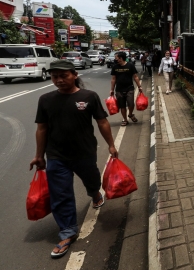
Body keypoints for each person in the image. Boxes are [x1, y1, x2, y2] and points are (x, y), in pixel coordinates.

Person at [29, 59, 118, 259]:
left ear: (74, 75)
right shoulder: (45, 99)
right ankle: (67, 232)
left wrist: (111, 145)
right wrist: (38, 155)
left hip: (85, 152)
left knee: (92, 179)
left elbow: (102, 122)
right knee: (61, 194)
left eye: (63, 75)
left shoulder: (89, 96)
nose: (59, 80)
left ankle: (94, 193)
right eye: (55, 77)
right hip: (56, 156)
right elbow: (41, 129)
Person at [110, 51, 143, 126]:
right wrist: (111, 89)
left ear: (121, 58)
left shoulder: (130, 65)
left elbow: (135, 77)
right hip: (119, 89)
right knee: (122, 106)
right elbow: (113, 79)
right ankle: (125, 119)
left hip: (129, 88)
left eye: (116, 58)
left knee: (131, 104)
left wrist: (139, 86)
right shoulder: (115, 67)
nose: (115, 59)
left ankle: (130, 114)